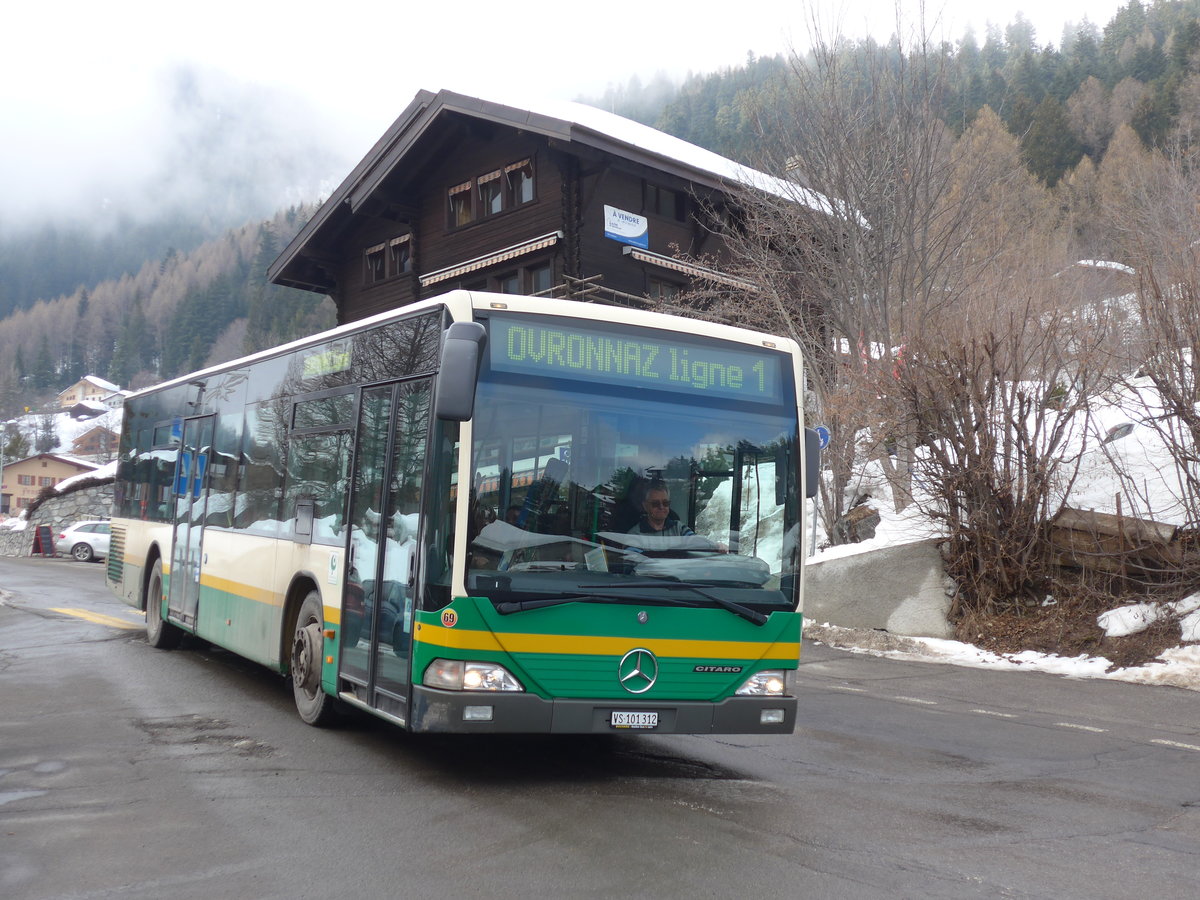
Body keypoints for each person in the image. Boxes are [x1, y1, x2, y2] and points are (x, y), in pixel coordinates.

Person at [628, 480, 694, 536]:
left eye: (665, 503)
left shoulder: (679, 528)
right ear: (645, 506)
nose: (661, 507)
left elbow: (696, 542)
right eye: (655, 503)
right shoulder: (635, 534)